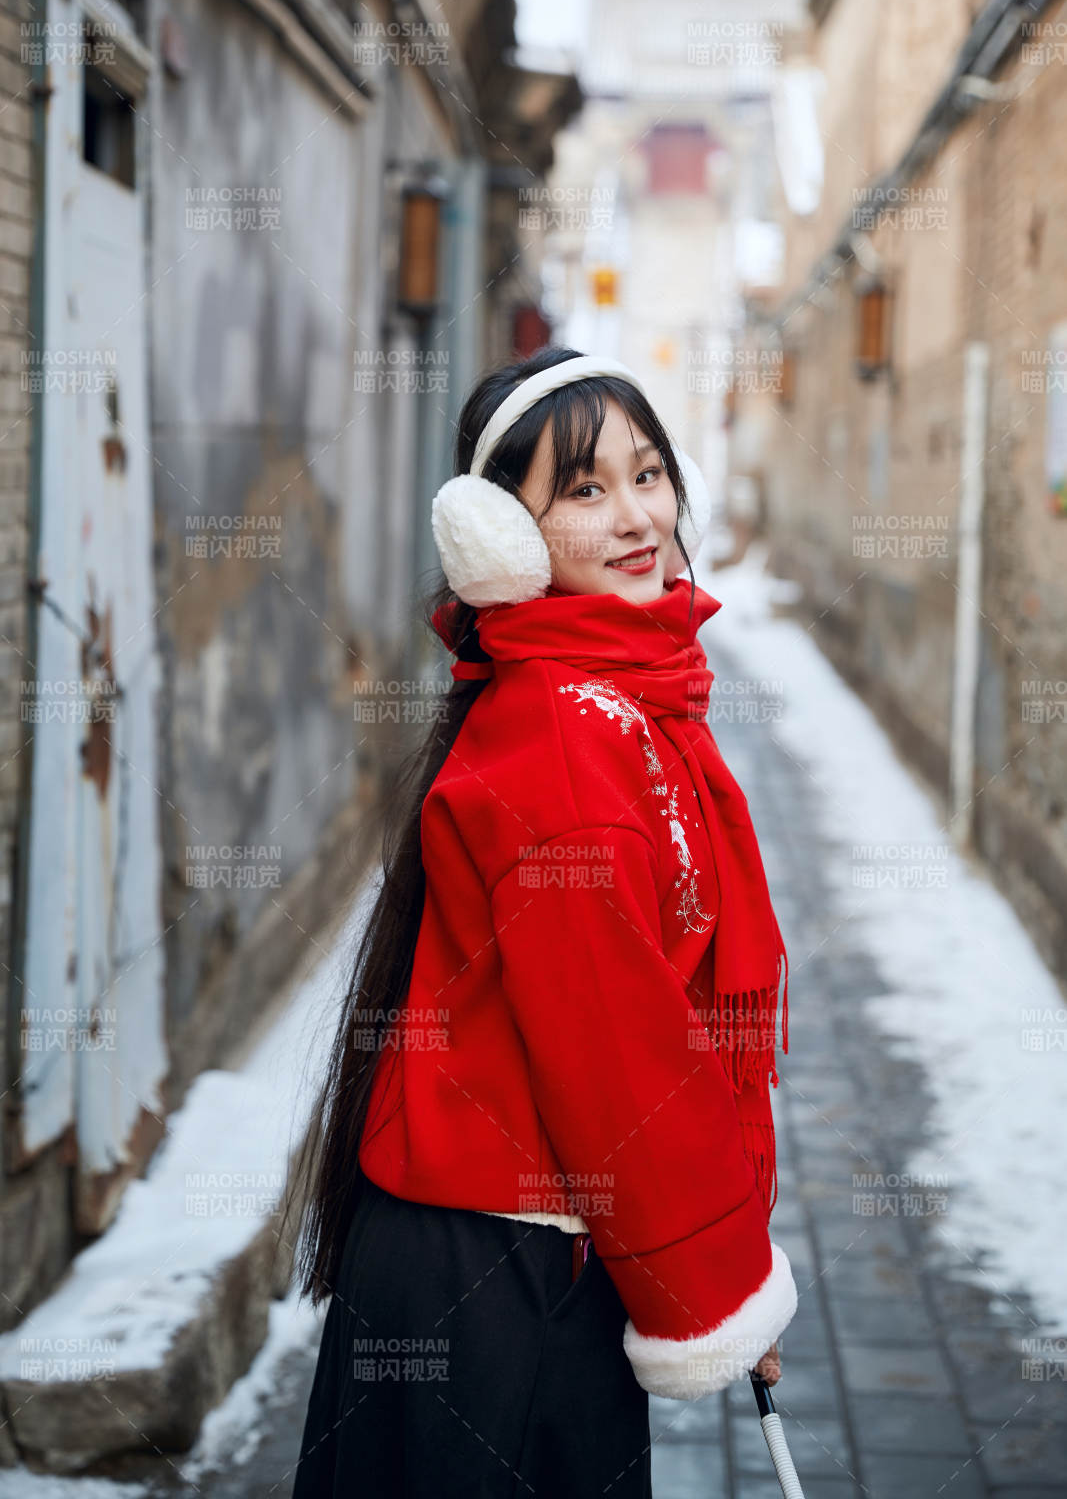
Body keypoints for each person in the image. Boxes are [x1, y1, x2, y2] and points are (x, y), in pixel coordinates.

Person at [286, 347, 797, 1498]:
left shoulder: (624, 700)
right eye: (581, 489)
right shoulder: (563, 736)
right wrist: (721, 1289)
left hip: (547, 1257)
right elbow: (623, 1061)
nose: (635, 517)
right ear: (501, 541)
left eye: (648, 474)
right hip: (493, 1283)